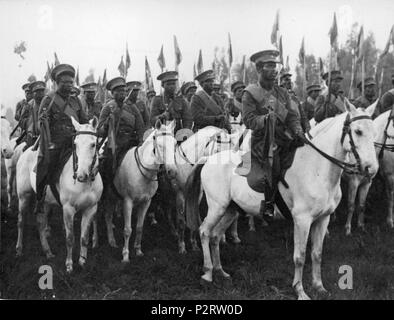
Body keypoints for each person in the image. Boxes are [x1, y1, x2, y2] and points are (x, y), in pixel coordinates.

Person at [242, 49, 304, 220]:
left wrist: (298, 130)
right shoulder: (250, 93)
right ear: (260, 69)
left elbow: (292, 116)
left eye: (276, 66)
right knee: (273, 164)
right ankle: (269, 204)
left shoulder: (282, 92)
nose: (275, 70)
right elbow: (248, 120)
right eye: (270, 66)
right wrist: (265, 119)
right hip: (263, 141)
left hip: (285, 138)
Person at [35, 64, 89, 214]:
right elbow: (40, 126)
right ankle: (40, 197)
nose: (69, 85)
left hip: (75, 141)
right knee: (45, 164)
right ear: (57, 83)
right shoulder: (49, 100)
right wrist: (43, 122)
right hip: (56, 143)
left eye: (71, 82)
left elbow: (84, 122)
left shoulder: (76, 101)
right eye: (65, 82)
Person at [98, 77, 145, 194]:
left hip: (131, 142)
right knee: (106, 167)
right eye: (118, 91)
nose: (122, 93)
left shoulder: (132, 107)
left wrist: (141, 142)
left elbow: (140, 127)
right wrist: (108, 122)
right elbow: (99, 130)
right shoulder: (108, 107)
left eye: (124, 91)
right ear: (112, 93)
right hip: (114, 144)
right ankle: (105, 194)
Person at [18, 81, 46, 148]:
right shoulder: (28, 105)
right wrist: (31, 123)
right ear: (33, 93)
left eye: (42, 91)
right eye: (37, 92)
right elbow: (21, 121)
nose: (40, 94)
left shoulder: (48, 102)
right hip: (33, 137)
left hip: (47, 135)